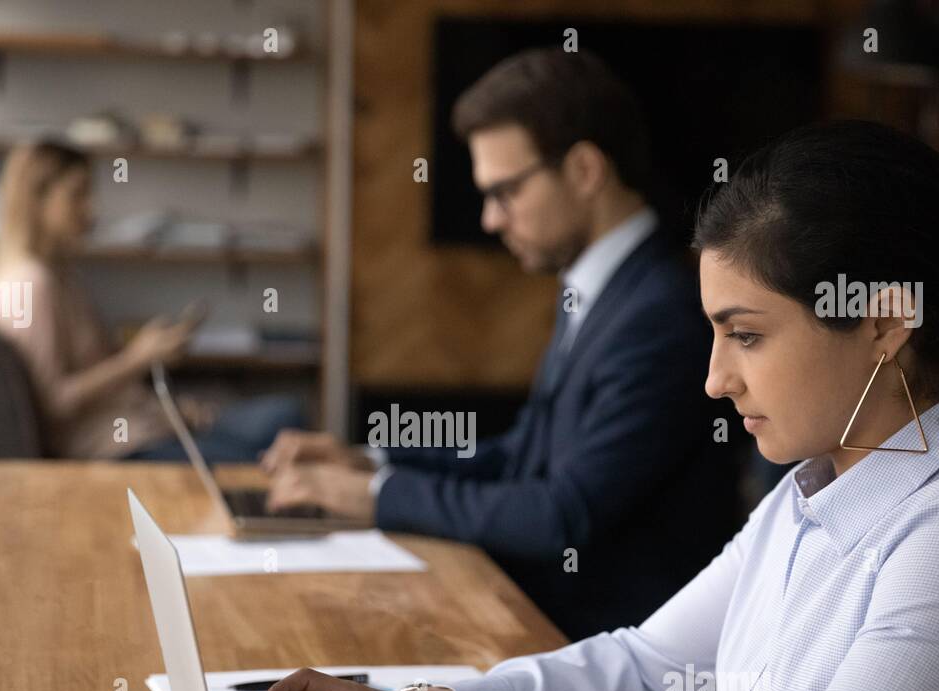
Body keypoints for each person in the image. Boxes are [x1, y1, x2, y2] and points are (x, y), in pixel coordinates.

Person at [249, 120, 939, 691]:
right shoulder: (816, 488)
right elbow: (650, 667)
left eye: (747, 335)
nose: (716, 379)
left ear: (886, 320)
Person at [261, 49, 740, 647]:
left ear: (586, 169)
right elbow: (523, 456)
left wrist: (375, 497)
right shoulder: (605, 287)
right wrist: (373, 462)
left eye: (505, 191)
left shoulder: (663, 311)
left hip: (605, 652)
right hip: (546, 623)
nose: (490, 219)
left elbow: (562, 513)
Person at [0, 141, 303, 461]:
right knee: (279, 444)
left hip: (142, 424)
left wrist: (170, 409)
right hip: (115, 448)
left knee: (284, 416)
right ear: (36, 201)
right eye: (77, 194)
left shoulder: (59, 276)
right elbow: (50, 404)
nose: (91, 208)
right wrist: (137, 358)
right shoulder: (32, 284)